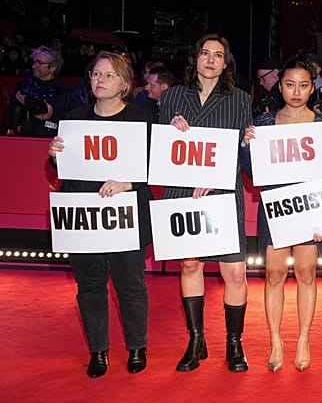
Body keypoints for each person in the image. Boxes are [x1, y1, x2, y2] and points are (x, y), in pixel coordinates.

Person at [47, 51, 153, 378]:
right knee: (89, 285)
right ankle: (99, 350)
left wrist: (128, 183)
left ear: (123, 83)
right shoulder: (75, 118)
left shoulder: (140, 119)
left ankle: (137, 346)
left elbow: (155, 167)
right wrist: (53, 156)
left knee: (129, 284)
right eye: (95, 74)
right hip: (84, 214)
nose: (100, 80)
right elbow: (62, 170)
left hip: (126, 213)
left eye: (108, 75)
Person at [159, 34, 252, 373]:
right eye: (204, 53)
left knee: (235, 272)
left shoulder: (240, 99)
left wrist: (247, 144)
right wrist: (169, 130)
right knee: (189, 265)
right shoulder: (171, 97)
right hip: (182, 193)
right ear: (195, 58)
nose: (210, 59)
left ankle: (234, 342)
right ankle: (196, 340)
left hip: (223, 193)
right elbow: (159, 148)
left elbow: (243, 153)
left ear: (226, 62)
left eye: (218, 55)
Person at [240, 55, 322, 372]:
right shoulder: (264, 124)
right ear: (279, 86)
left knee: (307, 273)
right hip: (275, 205)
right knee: (274, 275)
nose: (296, 91)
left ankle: (304, 339)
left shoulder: (321, 125)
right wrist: (246, 147)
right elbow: (252, 175)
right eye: (290, 84)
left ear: (311, 88)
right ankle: (275, 340)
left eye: (303, 85)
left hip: (310, 207)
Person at [3, 45, 73, 137]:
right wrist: (19, 104)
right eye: (34, 62)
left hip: (52, 141)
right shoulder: (24, 87)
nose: (34, 66)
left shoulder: (64, 91)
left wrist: (52, 114)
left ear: (53, 67)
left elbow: (72, 120)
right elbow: (7, 121)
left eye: (39, 63)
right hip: (24, 139)